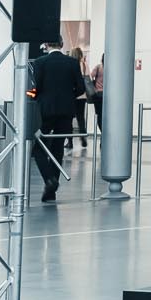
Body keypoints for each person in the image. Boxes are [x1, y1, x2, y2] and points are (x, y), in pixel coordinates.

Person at [30, 40, 88, 203]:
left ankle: (49, 179)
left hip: (46, 111)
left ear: (46, 45)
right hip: (66, 111)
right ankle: (52, 190)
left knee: (39, 149)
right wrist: (68, 96)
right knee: (58, 148)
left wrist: (38, 97)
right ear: (62, 44)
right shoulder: (72, 63)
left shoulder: (40, 62)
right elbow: (81, 88)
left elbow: (37, 87)